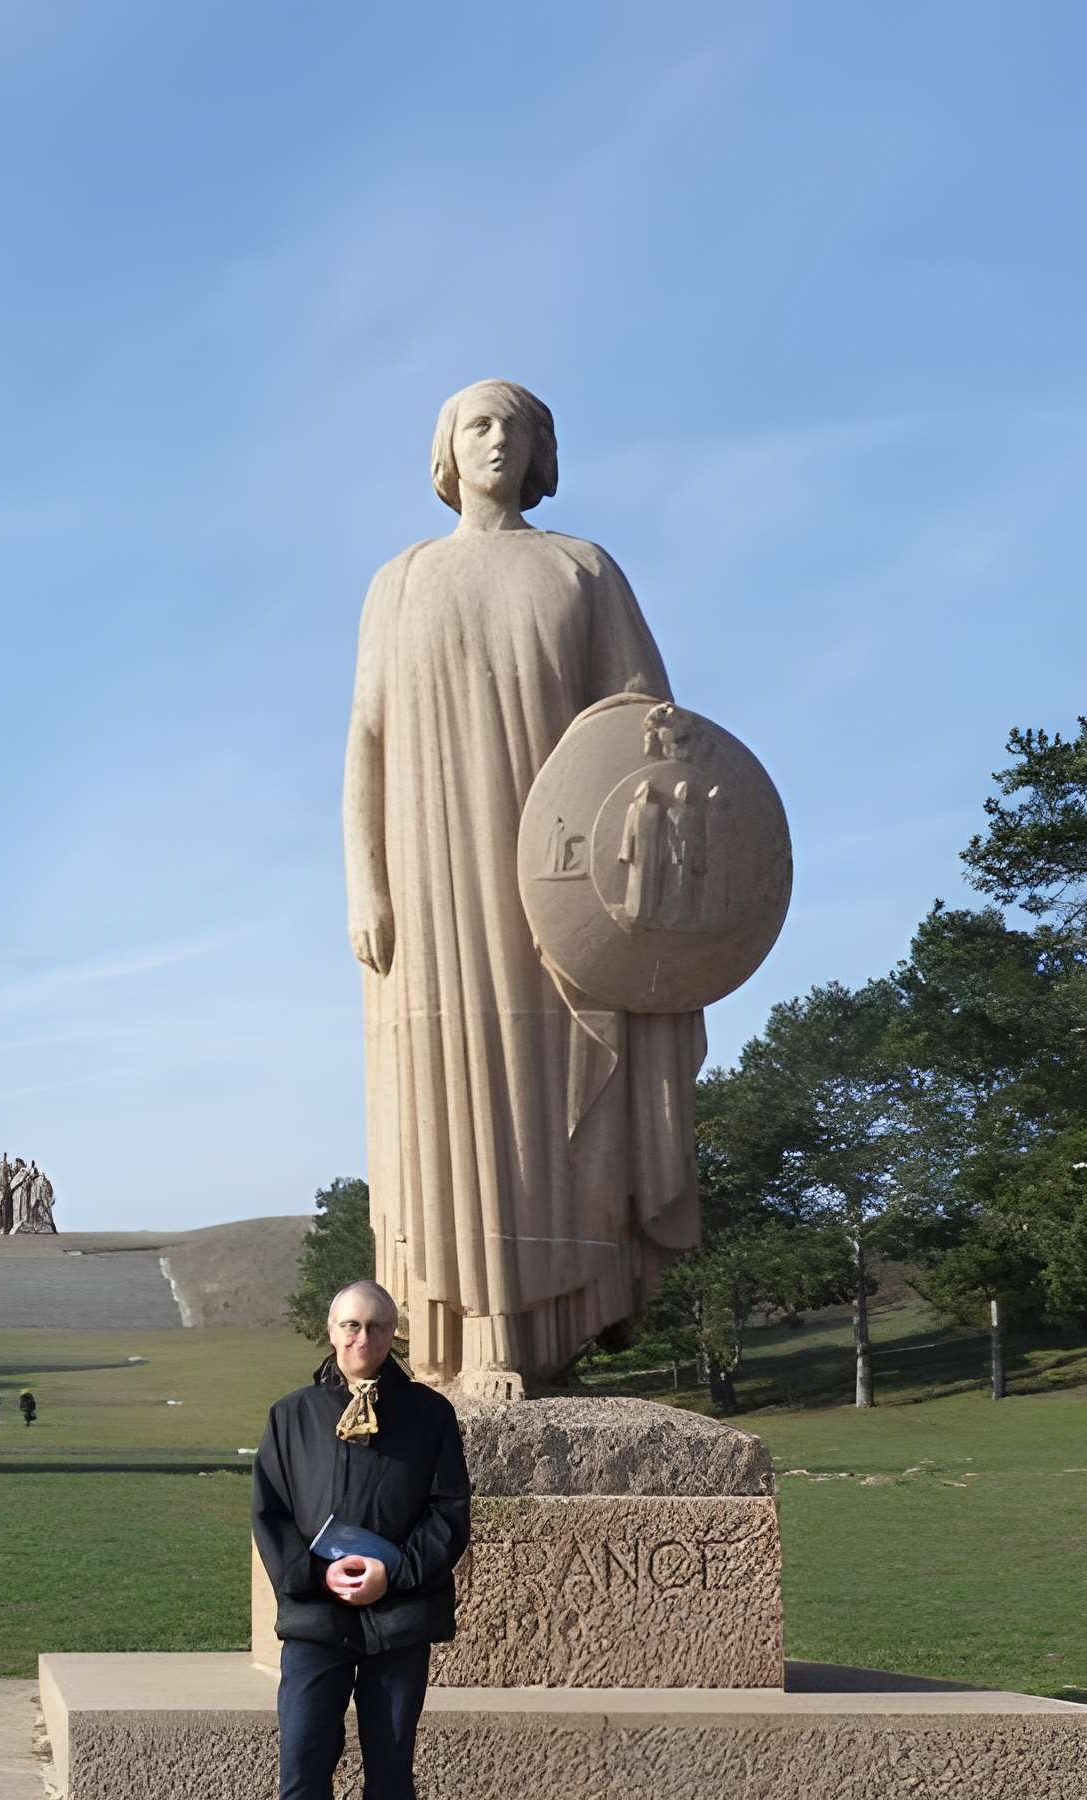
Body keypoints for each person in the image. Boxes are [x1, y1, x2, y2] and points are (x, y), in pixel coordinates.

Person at [345, 379, 703, 1391]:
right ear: (446, 450)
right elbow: (366, 738)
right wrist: (365, 881)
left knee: (549, 1093)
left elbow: (645, 734)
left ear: (541, 451)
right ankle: (459, 1334)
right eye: (477, 424)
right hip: (432, 875)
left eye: (515, 426)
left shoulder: (581, 570)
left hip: (556, 876)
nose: (496, 440)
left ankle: (541, 1333)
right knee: (447, 1093)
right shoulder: (400, 581)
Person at [247, 1277, 471, 1800]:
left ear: (391, 1333)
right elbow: (271, 1513)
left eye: (375, 1327)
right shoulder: (291, 1416)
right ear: (331, 1330)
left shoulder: (430, 1415)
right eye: (350, 1325)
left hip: (398, 1619)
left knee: (391, 1766)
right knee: (303, 1759)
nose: (362, 1339)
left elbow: (449, 1513)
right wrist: (317, 1576)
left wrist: (391, 1574)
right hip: (316, 1620)